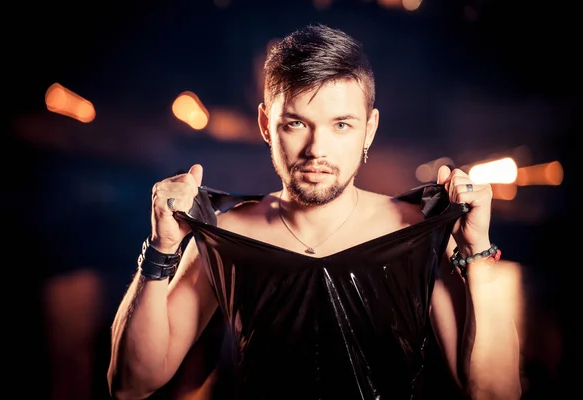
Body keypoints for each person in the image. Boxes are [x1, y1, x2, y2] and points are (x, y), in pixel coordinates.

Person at [107, 24, 522, 400]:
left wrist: (478, 251)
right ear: (267, 125)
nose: (316, 150)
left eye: (341, 124)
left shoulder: (417, 235)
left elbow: (495, 393)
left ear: (369, 130)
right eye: (296, 124)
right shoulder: (228, 236)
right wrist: (161, 249)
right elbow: (131, 383)